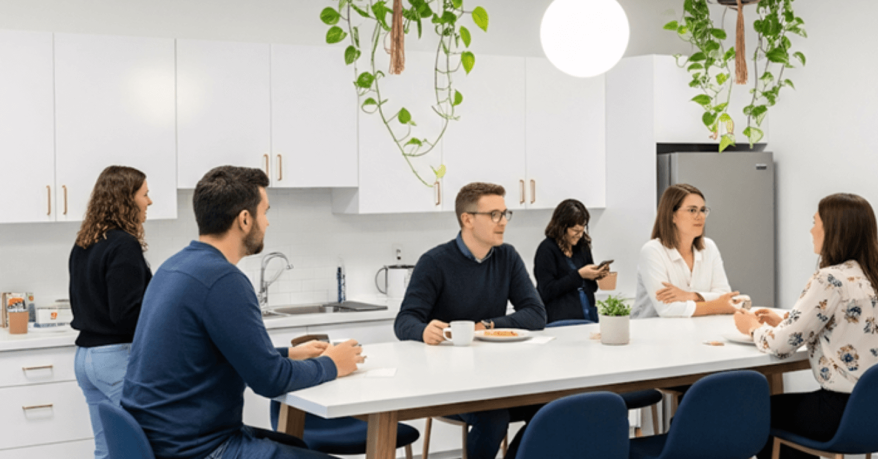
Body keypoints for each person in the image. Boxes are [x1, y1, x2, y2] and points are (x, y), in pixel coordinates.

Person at [120, 166, 364, 459]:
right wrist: (333, 364)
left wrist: (287, 353)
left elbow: (218, 353)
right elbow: (269, 381)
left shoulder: (175, 266)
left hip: (162, 440)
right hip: (197, 449)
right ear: (245, 220)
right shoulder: (223, 280)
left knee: (296, 445)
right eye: (265, 212)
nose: (268, 223)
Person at [734, 193, 878, 459]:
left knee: (754, 413)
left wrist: (751, 328)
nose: (811, 230)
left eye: (816, 222)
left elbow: (781, 347)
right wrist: (787, 323)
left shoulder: (830, 279)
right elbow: (851, 326)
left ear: (834, 230)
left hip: (844, 410)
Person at [394, 182, 546, 459]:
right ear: (468, 219)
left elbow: (536, 314)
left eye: (504, 214)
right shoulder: (434, 262)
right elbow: (404, 321)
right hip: (448, 380)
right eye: (494, 215)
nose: (502, 223)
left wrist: (487, 326)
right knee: (494, 418)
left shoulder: (507, 257)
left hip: (500, 375)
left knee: (551, 408)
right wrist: (423, 331)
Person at [69, 166, 153, 459]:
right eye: (145, 194)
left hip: (85, 360)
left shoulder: (84, 243)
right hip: (115, 358)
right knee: (142, 447)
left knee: (108, 451)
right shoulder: (124, 245)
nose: (149, 201)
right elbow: (127, 313)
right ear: (126, 199)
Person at [632, 183, 739, 319]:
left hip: (695, 330)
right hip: (652, 333)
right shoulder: (652, 251)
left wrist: (689, 296)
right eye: (692, 210)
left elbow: (726, 295)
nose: (700, 216)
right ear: (672, 216)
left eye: (702, 210)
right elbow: (667, 309)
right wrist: (718, 306)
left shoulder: (709, 247)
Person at [534, 199, 609, 323]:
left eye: (582, 230)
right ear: (562, 227)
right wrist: (579, 275)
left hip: (588, 316)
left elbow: (592, 288)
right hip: (559, 320)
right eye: (575, 231)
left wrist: (596, 275)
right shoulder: (546, 249)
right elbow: (546, 291)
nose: (579, 235)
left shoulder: (583, 245)